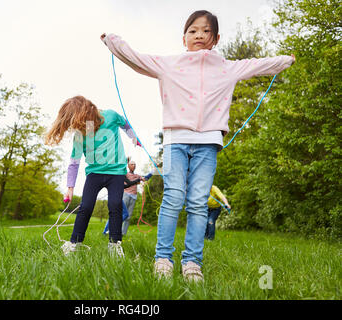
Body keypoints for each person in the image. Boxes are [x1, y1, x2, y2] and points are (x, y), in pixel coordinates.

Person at [100, 10, 295, 281]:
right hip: (176, 141)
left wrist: (284, 61)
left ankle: (192, 262)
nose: (199, 35)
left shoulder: (226, 67)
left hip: (208, 143)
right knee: (173, 198)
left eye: (205, 31)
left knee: (197, 203)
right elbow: (138, 59)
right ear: (184, 38)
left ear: (215, 38)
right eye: (193, 31)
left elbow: (257, 65)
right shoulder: (170, 64)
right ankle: (163, 259)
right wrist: (112, 41)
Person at [45, 96, 139, 257]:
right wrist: (70, 188)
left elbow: (125, 124)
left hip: (116, 172)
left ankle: (115, 245)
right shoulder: (80, 134)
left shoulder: (110, 115)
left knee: (115, 205)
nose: (80, 128)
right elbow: (74, 163)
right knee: (86, 207)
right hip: (94, 173)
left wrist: (134, 137)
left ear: (88, 113)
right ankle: (75, 243)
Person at [121, 159, 154, 235]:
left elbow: (145, 178)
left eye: (135, 164)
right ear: (128, 166)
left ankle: (123, 233)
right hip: (125, 194)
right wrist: (126, 161)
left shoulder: (137, 176)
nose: (134, 165)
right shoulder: (125, 173)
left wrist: (153, 171)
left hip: (134, 196)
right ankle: (116, 231)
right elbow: (121, 169)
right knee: (122, 214)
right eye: (132, 164)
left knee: (128, 216)